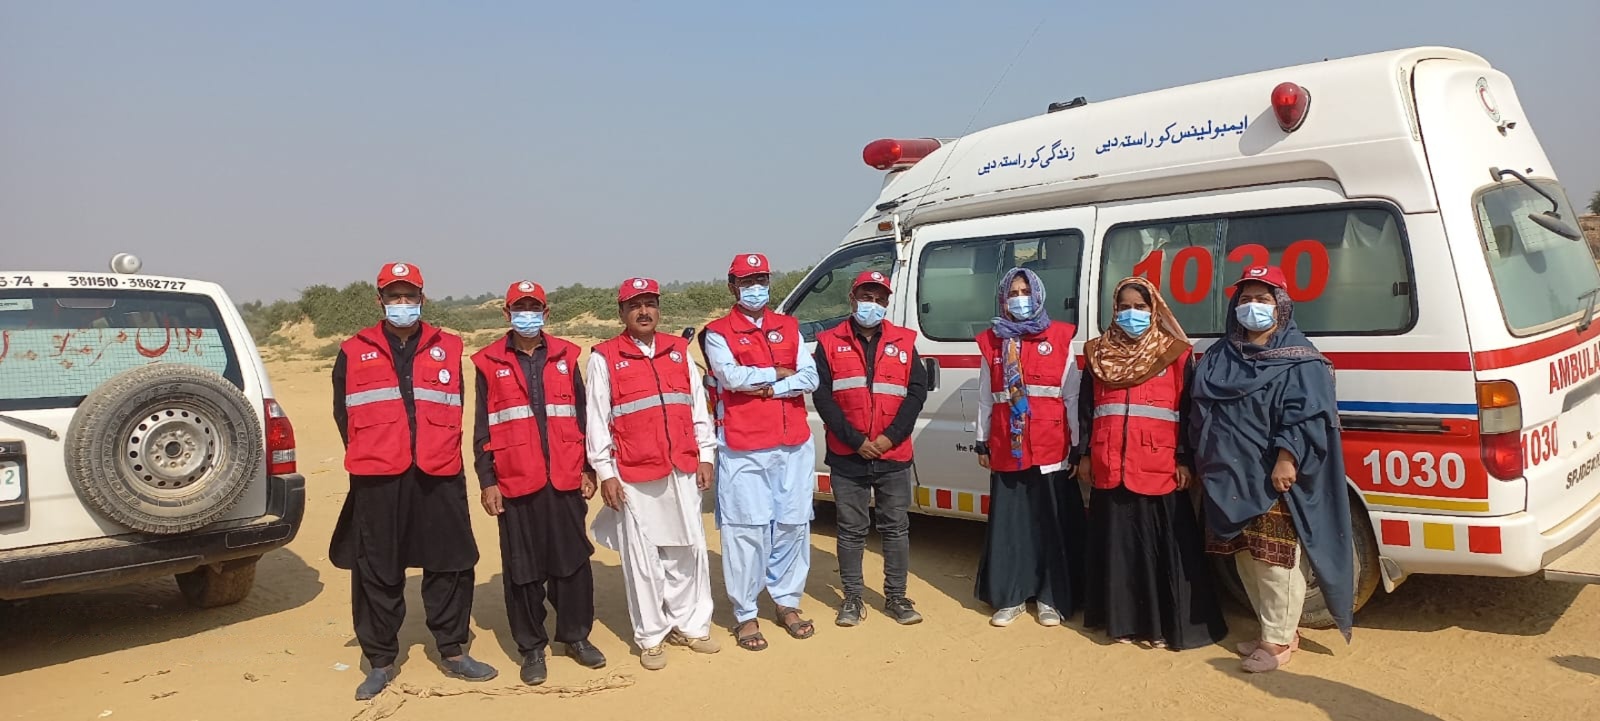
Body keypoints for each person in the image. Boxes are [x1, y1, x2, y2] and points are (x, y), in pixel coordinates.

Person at [329, 262, 497, 700]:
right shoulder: (352, 350)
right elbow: (342, 415)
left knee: (451, 562)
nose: (401, 303)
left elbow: (455, 405)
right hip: (379, 477)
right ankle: (381, 660)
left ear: (422, 298)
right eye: (393, 295)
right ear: (379, 300)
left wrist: (429, 445)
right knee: (377, 568)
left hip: (438, 473)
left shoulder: (449, 347)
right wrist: (380, 446)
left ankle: (453, 650)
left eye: (409, 296)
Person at [1190, 265, 1354, 673]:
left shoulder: (1300, 359)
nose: (1252, 307)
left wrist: (1287, 457)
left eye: (1262, 299)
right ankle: (1275, 630)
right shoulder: (1220, 355)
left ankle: (1278, 641)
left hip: (1270, 477)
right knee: (1245, 557)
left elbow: (1307, 415)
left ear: (1280, 305)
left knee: (1275, 560)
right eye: (1245, 299)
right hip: (1227, 476)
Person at [1074, 276, 1228, 650]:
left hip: (1159, 465)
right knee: (1118, 550)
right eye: (1124, 307)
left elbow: (1189, 411)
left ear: (1154, 310)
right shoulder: (1097, 354)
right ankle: (1121, 623)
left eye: (1140, 308)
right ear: (1114, 310)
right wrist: (1084, 455)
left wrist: (1185, 459)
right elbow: (1086, 410)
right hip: (1110, 464)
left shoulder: (1173, 353)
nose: (1132, 314)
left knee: (1164, 550)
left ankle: (1160, 627)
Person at [469, 281, 606, 686]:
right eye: (519, 307)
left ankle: (576, 637)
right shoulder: (489, 362)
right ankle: (531, 648)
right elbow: (483, 428)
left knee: (573, 563)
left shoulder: (566, 355)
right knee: (522, 569)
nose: (527, 313)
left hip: (565, 477)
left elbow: (583, 417)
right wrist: (487, 480)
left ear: (546, 313)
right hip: (515, 480)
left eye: (534, 307)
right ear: (506, 313)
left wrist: (589, 469)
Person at [587, 277, 722, 671]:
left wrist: (706, 454)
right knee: (642, 559)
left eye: (650, 304)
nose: (644, 312)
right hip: (633, 472)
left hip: (681, 467)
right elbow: (597, 420)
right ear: (622, 313)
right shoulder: (604, 357)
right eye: (635, 305)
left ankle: (692, 626)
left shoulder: (679, 352)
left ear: (658, 309)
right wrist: (605, 471)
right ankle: (651, 636)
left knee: (689, 550)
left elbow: (699, 408)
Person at [702, 253, 821, 651]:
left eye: (762, 279)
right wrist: (779, 372)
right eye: (747, 280)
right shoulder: (718, 332)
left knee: (792, 523)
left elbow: (811, 376)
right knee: (746, 530)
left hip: (793, 444)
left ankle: (787, 602)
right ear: (732, 286)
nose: (756, 287)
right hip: (744, 446)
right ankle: (745, 613)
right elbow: (731, 377)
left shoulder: (788, 326)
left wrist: (771, 387)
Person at [811, 270, 928, 627]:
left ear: (887, 303)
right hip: (849, 455)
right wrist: (857, 441)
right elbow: (823, 397)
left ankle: (896, 597)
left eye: (879, 299)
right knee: (851, 530)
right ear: (853, 297)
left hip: (893, 454)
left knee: (895, 528)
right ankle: (852, 599)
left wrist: (889, 438)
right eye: (866, 296)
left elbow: (915, 393)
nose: (872, 304)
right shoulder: (828, 342)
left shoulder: (905, 342)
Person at [973, 267, 1086, 627]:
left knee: (1050, 525)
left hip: (1052, 448)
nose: (1019, 299)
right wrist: (982, 440)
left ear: (1038, 295)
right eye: (1012, 293)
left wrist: (1078, 448)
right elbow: (985, 398)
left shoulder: (1061, 337)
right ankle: (1011, 595)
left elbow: (1071, 397)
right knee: (1013, 527)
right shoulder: (991, 341)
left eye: (1025, 291)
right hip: (1008, 445)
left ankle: (1052, 597)